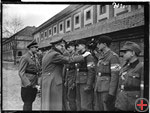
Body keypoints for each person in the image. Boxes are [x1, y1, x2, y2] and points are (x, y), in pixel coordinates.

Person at [41, 37, 91, 110]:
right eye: (61, 46)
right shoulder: (55, 55)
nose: (63, 48)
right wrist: (83, 56)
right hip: (53, 81)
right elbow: (69, 60)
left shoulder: (49, 53)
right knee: (55, 103)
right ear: (56, 46)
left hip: (47, 80)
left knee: (49, 102)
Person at [115, 41, 144, 111]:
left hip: (132, 104)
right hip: (121, 102)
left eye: (125, 52)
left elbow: (143, 89)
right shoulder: (124, 66)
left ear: (133, 53)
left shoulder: (141, 67)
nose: (123, 54)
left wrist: (141, 106)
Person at [94, 35, 121, 111]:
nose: (97, 45)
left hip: (107, 89)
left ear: (104, 44)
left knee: (106, 108)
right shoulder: (101, 56)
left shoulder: (113, 57)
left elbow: (115, 76)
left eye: (99, 43)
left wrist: (111, 93)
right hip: (99, 87)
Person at [18, 40, 40, 111]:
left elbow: (37, 70)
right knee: (27, 103)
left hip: (34, 84)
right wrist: (28, 84)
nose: (37, 49)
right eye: (36, 47)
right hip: (27, 85)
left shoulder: (35, 56)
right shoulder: (25, 57)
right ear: (31, 47)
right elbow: (21, 72)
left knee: (31, 102)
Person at [75, 39, 96, 111]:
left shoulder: (89, 56)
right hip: (79, 81)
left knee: (86, 105)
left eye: (78, 45)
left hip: (85, 82)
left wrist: (89, 85)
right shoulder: (80, 55)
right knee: (79, 103)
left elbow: (91, 71)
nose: (76, 47)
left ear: (83, 45)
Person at [64, 41, 78, 111]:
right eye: (67, 48)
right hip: (69, 76)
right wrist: (66, 80)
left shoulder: (76, 55)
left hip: (73, 77)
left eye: (69, 47)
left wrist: (74, 81)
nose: (68, 49)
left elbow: (76, 70)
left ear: (73, 47)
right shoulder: (69, 55)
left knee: (71, 96)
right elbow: (67, 69)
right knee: (68, 96)